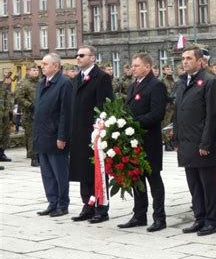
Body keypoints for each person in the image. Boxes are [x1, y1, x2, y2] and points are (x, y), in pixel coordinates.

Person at [173, 46, 216, 236]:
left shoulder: (209, 82)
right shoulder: (182, 82)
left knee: (208, 184)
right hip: (186, 142)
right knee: (194, 184)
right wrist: (175, 139)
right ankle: (199, 218)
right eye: (183, 58)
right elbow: (178, 113)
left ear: (201, 61)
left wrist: (206, 143)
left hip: (201, 143)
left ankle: (211, 220)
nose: (185, 61)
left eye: (189, 58)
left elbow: (212, 115)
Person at [118, 53, 168, 232]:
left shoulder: (156, 85)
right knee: (136, 178)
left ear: (147, 67)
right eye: (132, 65)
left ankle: (159, 217)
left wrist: (132, 123)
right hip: (134, 142)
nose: (133, 68)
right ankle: (139, 215)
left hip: (149, 140)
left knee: (154, 179)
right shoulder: (133, 86)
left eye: (137, 65)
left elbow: (156, 114)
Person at [70, 45, 114, 224]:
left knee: (96, 171)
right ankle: (87, 205)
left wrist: (100, 131)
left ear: (93, 58)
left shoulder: (101, 77)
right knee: (83, 171)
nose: (78, 58)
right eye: (77, 55)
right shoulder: (77, 78)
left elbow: (104, 106)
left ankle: (101, 208)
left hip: (94, 133)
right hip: (79, 132)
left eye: (82, 55)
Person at [34, 53, 73, 218]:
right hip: (42, 134)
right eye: (42, 64)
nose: (42, 66)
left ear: (55, 66)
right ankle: (52, 202)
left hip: (55, 135)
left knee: (59, 172)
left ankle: (62, 204)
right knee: (47, 173)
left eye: (45, 64)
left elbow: (66, 112)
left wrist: (62, 137)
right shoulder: (42, 83)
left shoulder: (64, 84)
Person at [14, 62, 40, 166]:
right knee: (31, 136)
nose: (36, 72)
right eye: (34, 70)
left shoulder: (41, 82)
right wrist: (30, 105)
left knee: (38, 135)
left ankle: (38, 155)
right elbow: (18, 98)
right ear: (28, 71)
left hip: (40, 113)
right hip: (29, 114)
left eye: (37, 70)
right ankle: (33, 157)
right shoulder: (23, 84)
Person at [0, 74, 13, 163]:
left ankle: (2, 153)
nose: (9, 81)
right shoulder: (1, 88)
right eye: (7, 79)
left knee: (5, 135)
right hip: (1, 115)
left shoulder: (8, 90)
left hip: (6, 115)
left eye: (10, 79)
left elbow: (9, 102)